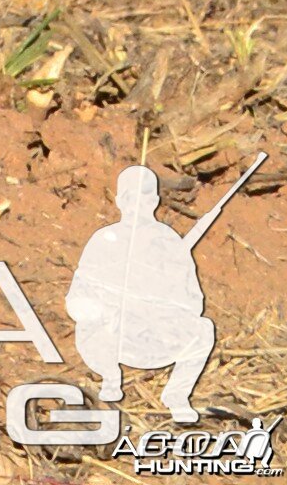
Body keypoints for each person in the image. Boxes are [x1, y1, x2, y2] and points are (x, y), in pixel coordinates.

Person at [68, 160, 225, 423]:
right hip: (112, 335)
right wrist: (103, 306)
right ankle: (110, 377)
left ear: (154, 201)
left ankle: (176, 395)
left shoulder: (168, 242)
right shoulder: (103, 239)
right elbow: (78, 295)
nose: (137, 203)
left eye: (144, 196)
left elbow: (193, 302)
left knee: (203, 329)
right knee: (92, 320)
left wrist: (161, 295)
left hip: (153, 337)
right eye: (130, 196)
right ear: (119, 200)